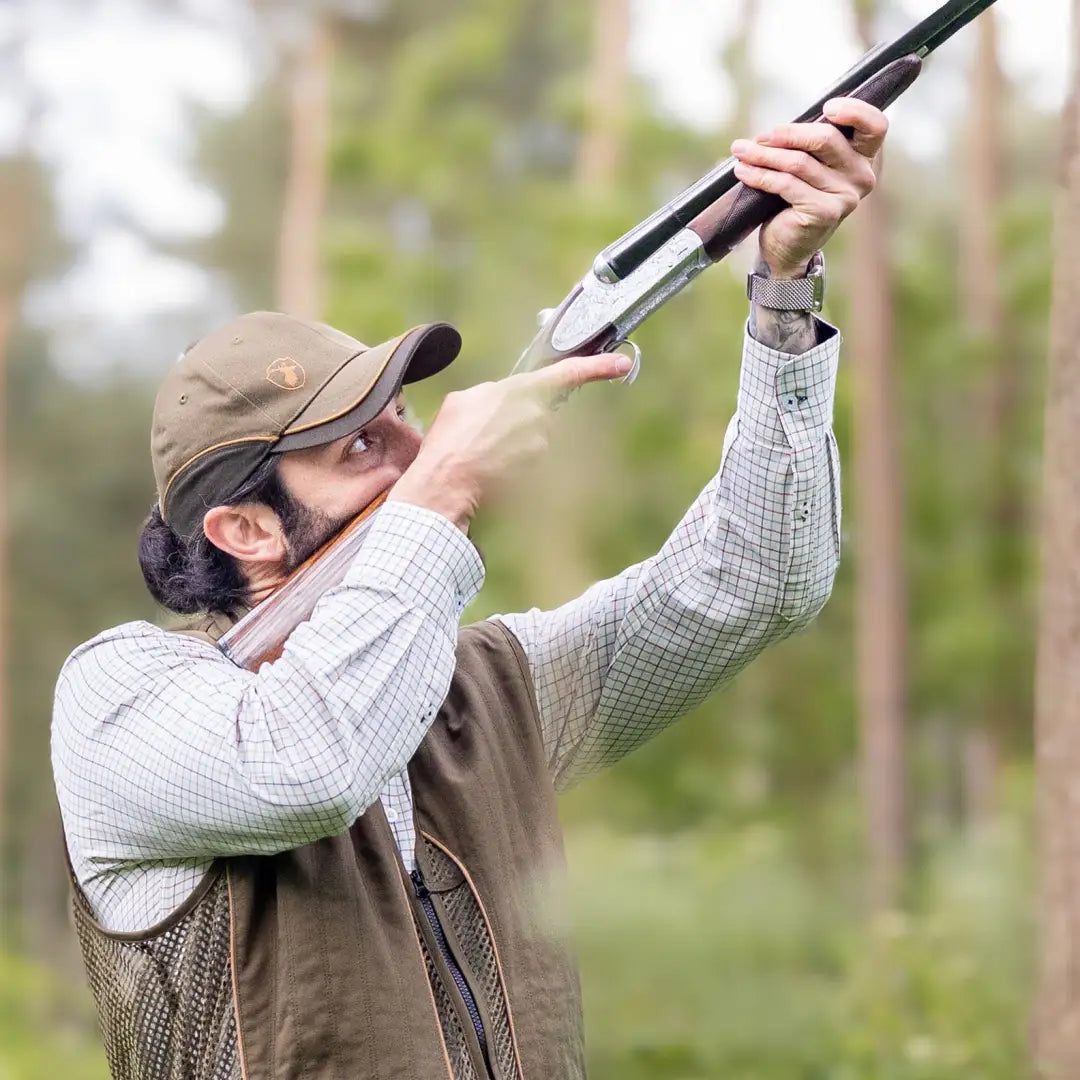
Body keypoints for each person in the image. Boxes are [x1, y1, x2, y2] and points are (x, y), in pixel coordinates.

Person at [52, 98, 887, 1080]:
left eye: (408, 419)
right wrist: (440, 493)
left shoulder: (487, 686)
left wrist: (784, 288)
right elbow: (311, 760)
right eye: (363, 443)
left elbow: (762, 576)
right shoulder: (118, 704)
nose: (418, 449)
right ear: (245, 530)